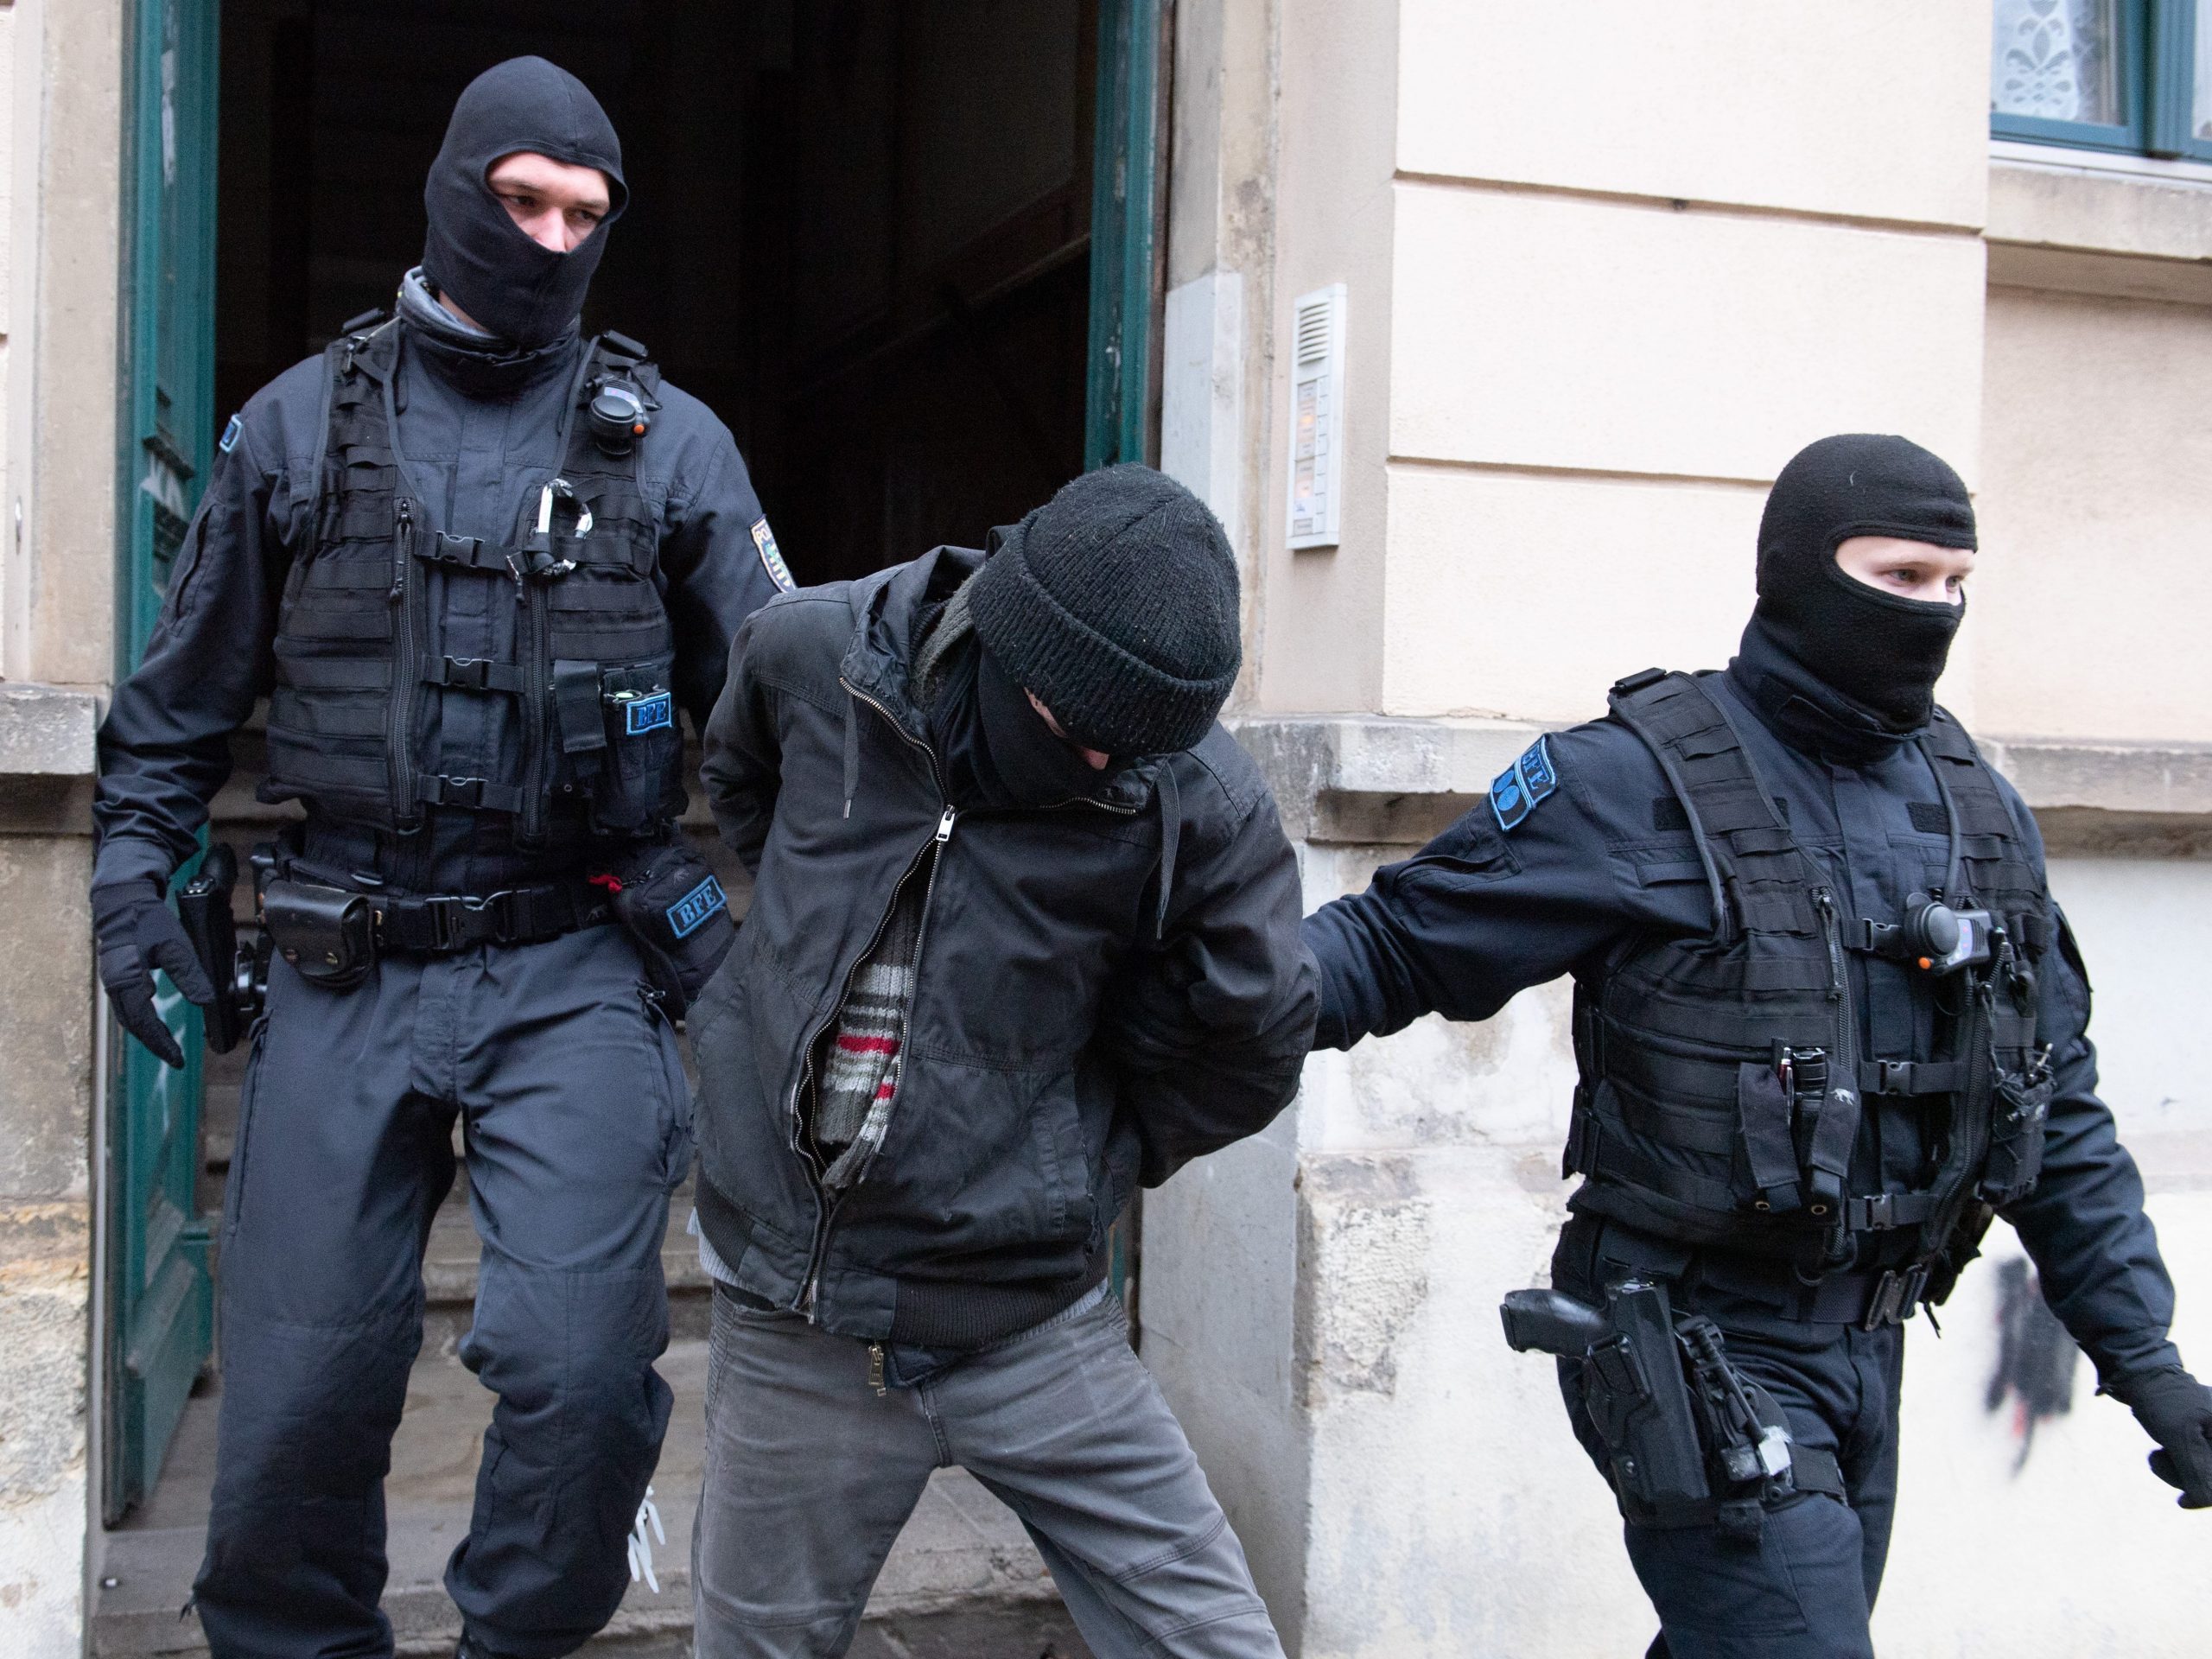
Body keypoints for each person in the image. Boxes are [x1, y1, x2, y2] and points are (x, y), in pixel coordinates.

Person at [91, 57, 787, 1659]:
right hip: (347, 966)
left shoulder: (673, 449)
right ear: (453, 190)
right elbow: (179, 708)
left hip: (580, 960)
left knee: (583, 1370)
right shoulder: (289, 431)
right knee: (296, 1401)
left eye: (585, 216)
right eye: (522, 201)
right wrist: (131, 883)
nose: (549, 240)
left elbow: (790, 709)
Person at [1302, 434, 2212, 1658]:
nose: (1934, 612)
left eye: (1956, 583)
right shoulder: (1635, 780)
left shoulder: (1978, 808)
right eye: (1900, 578)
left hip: (1870, 1344)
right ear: (1797, 573)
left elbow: (2057, 1109)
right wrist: (1173, 1001)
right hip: (1694, 1339)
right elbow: (1392, 946)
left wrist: (2149, 1363)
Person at [684, 463, 1319, 1657]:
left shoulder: (1192, 799)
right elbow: (742, 776)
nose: (1100, 773)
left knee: (1217, 1641)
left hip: (1033, 1320)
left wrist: (1075, 1149)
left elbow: (1251, 1035)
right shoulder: (818, 653)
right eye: (1076, 737)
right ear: (1010, 645)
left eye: (1129, 754)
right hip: (800, 1310)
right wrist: (805, 948)